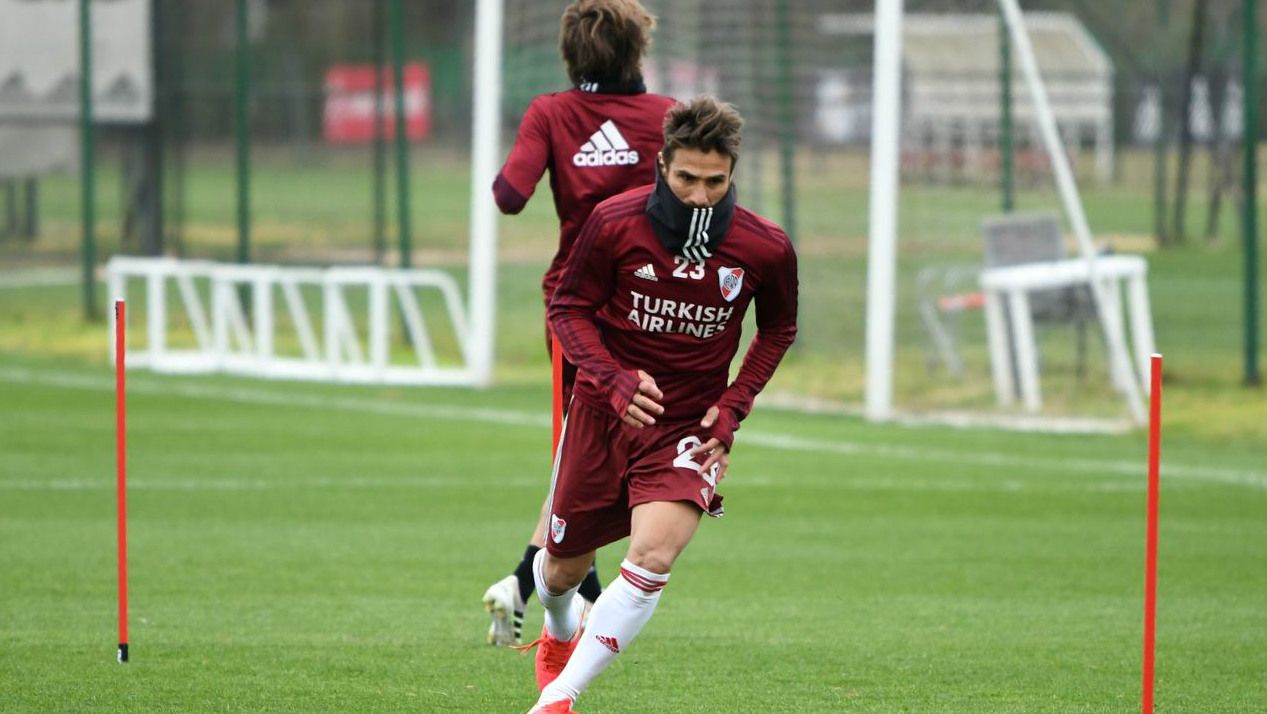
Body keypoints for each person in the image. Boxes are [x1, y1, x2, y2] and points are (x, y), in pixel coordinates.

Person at [523, 95, 798, 713]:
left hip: (688, 427)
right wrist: (614, 379)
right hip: (601, 413)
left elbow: (778, 327)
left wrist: (733, 408)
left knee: (652, 556)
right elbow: (568, 309)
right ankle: (560, 625)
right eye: (686, 179)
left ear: (733, 173)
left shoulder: (765, 247)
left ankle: (560, 699)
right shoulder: (614, 222)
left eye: (715, 180)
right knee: (561, 570)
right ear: (661, 165)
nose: (700, 195)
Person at [482, 0, 676, 648]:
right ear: (636, 52)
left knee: (579, 453)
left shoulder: (551, 112)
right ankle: (560, 589)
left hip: (576, 310)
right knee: (614, 456)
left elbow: (509, 196)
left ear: (571, 55)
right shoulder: (665, 118)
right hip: (653, 308)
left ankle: (530, 582)